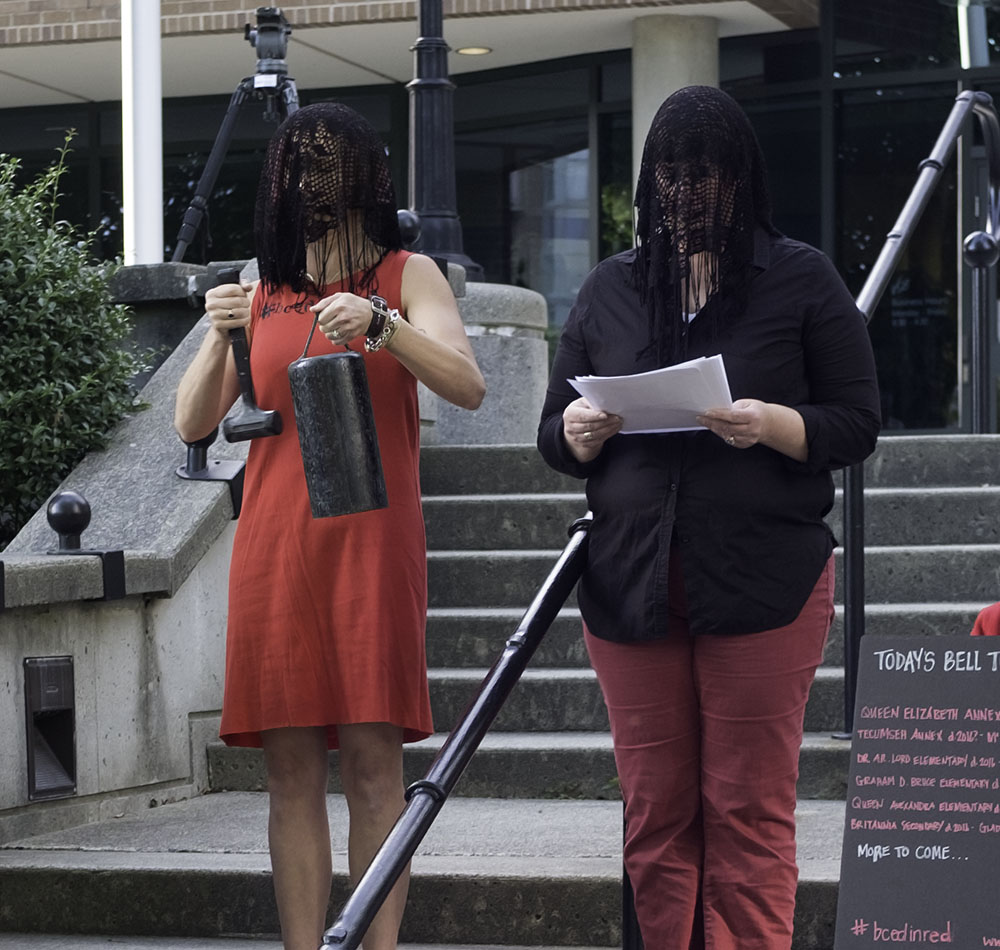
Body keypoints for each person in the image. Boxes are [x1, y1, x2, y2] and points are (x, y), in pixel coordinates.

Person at [537, 85, 881, 949]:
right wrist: (577, 432)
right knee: (655, 816)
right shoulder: (610, 288)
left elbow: (858, 421)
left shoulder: (798, 276)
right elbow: (553, 429)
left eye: (707, 176)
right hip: (631, 582)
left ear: (742, 182)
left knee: (747, 811)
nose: (687, 194)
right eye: (671, 175)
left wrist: (770, 423)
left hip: (763, 580)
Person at [174, 102, 485, 950]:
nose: (307, 184)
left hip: (372, 545)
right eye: (294, 168)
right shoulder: (261, 279)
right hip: (275, 547)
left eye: (324, 167)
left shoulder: (406, 273)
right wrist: (216, 336)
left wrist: (383, 327)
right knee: (287, 772)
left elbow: (467, 384)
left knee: (377, 768)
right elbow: (192, 426)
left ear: (360, 177)